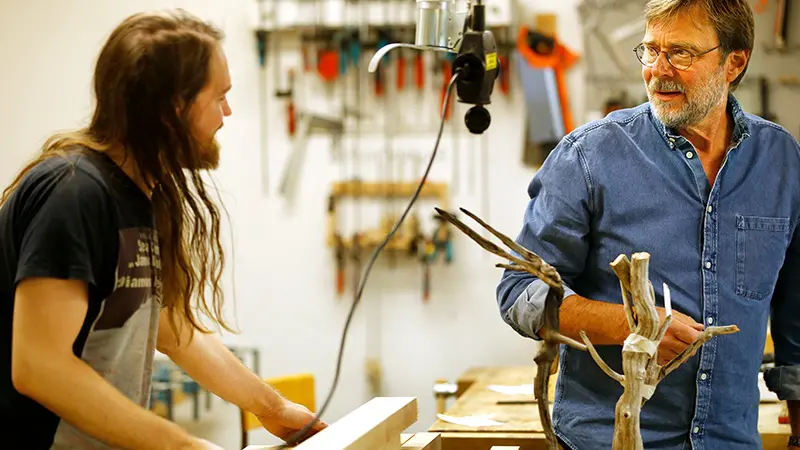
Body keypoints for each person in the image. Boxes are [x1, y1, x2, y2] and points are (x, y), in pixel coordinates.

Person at [0, 9, 327, 450]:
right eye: (219, 97)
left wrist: (271, 408)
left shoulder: (136, 196)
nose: (226, 113)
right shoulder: (74, 194)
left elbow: (172, 328)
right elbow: (39, 365)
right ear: (174, 106)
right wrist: (180, 445)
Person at [497, 0, 800, 449]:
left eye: (681, 53)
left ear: (734, 62)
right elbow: (519, 293)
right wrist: (633, 324)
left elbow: (795, 327)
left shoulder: (780, 161)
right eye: (650, 50)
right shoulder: (588, 157)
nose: (658, 70)